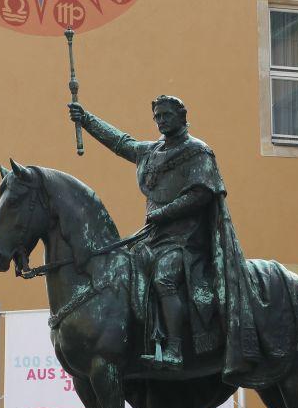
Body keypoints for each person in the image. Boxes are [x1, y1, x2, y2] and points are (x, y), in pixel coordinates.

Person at [68, 96, 223, 369]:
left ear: (182, 116)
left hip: (186, 240)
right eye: (157, 116)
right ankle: (140, 341)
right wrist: (87, 119)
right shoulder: (151, 151)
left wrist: (165, 212)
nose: (161, 120)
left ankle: (175, 348)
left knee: (164, 278)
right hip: (154, 237)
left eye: (166, 115)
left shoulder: (198, 152)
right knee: (122, 274)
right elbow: (120, 142)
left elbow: (201, 193)